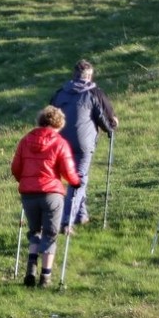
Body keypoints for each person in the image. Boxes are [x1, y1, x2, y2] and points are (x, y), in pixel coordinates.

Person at [11, 106, 81, 288]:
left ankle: (30, 271)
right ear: (59, 124)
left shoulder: (25, 140)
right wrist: (75, 182)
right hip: (51, 194)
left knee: (35, 231)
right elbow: (68, 171)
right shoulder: (59, 142)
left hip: (28, 194)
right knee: (50, 235)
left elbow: (16, 168)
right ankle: (45, 277)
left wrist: (25, 181)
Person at [49, 60, 118, 227]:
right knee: (78, 180)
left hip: (60, 143)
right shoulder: (94, 93)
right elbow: (105, 116)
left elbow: (48, 115)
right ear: (89, 75)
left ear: (74, 75)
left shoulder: (60, 93)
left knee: (72, 179)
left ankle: (81, 215)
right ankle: (67, 218)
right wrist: (111, 127)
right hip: (83, 144)